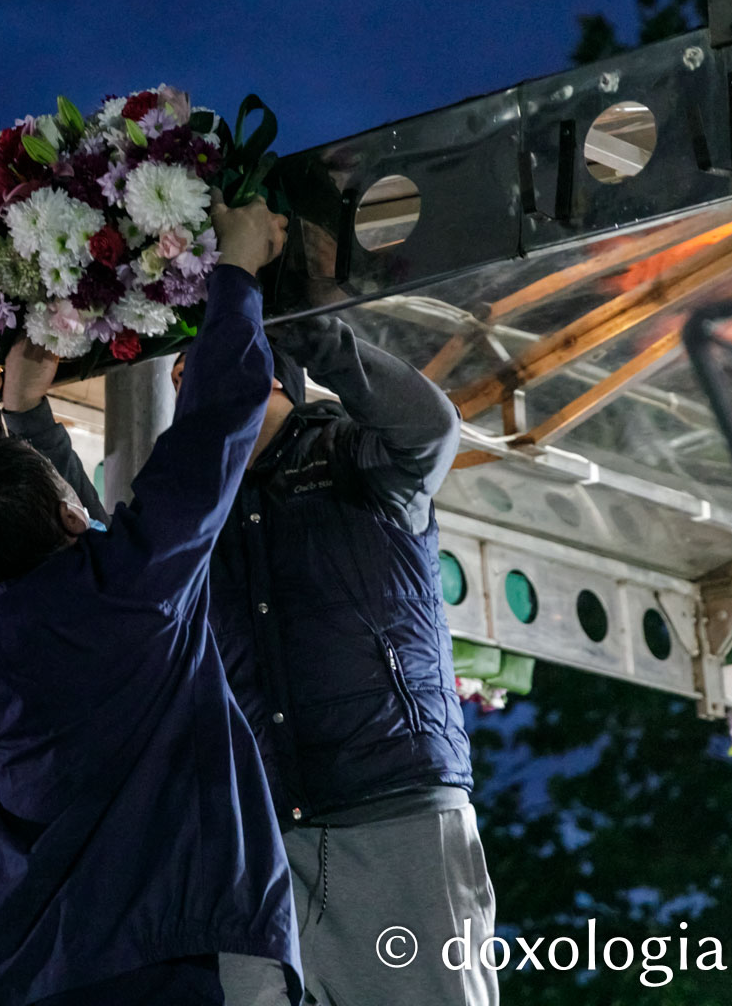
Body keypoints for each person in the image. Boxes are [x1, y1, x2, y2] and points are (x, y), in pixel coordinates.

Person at [0, 198, 302, 1006]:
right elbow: (213, 432)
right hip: (160, 957)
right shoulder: (132, 588)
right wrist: (234, 269)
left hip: (14, 974)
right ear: (71, 514)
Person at [191, 241, 495, 1006]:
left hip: (392, 808)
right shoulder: (195, 507)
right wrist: (22, 417)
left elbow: (430, 428)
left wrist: (307, 327)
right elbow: (103, 563)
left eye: (191, 357)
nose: (178, 377)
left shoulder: (357, 455)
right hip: (266, 834)